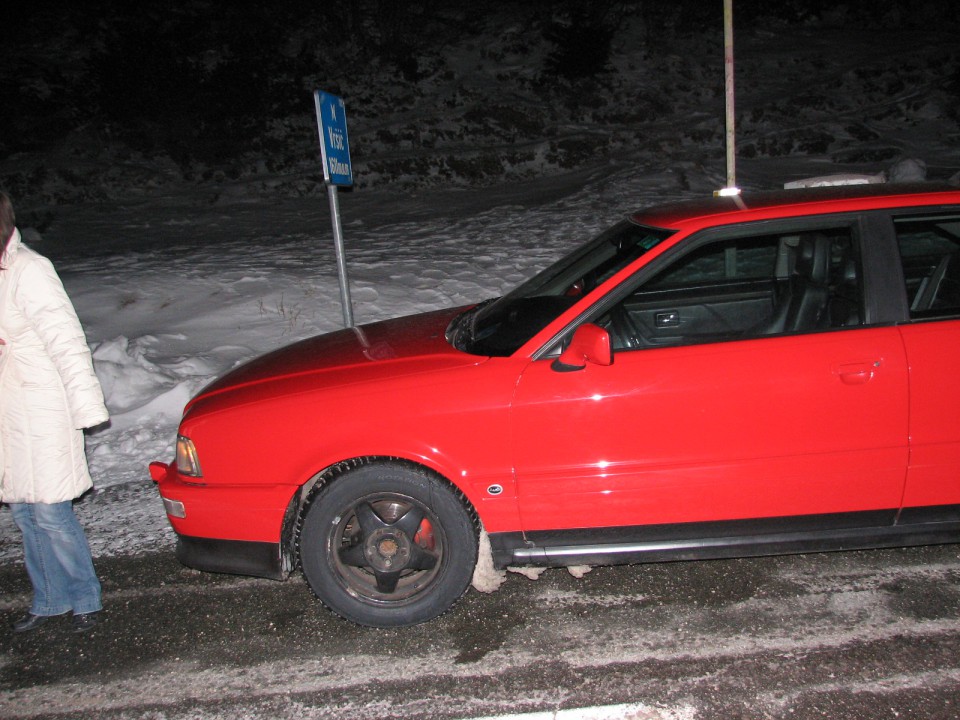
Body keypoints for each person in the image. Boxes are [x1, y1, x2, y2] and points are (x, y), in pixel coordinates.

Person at [0, 191, 109, 634]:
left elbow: (67, 343)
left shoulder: (30, 269)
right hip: (9, 411)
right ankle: (48, 600)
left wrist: (86, 408)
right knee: (24, 512)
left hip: (45, 407)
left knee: (50, 511)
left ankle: (85, 596)